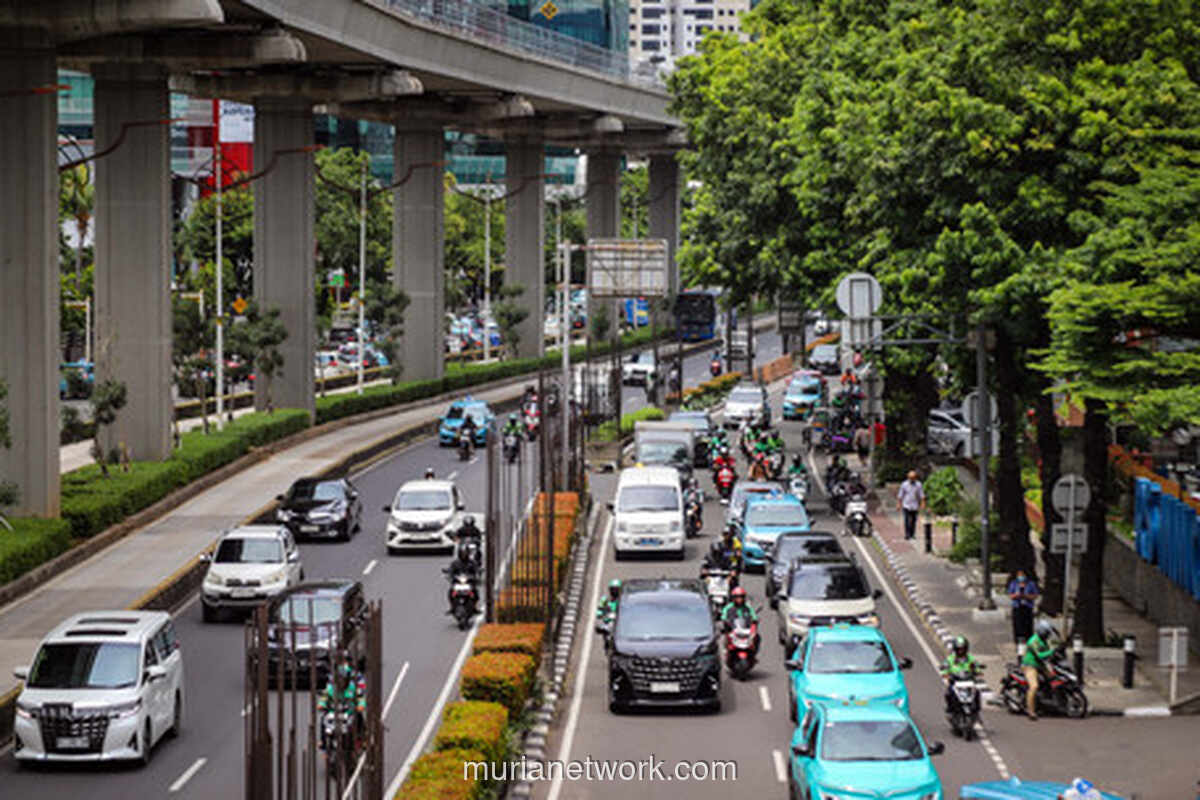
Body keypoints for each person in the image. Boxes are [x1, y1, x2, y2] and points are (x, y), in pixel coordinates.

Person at [318, 653, 366, 744]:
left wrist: (360, 705)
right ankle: (323, 741)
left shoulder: (353, 683)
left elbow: (360, 696)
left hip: (349, 710)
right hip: (334, 710)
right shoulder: (331, 686)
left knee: (359, 716)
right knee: (323, 719)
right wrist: (321, 704)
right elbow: (324, 696)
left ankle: (361, 737)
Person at [1022, 618, 1058, 721]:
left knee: (1053, 678)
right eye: (1047, 633)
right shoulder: (1034, 641)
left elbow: (1052, 645)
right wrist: (1052, 651)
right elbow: (1040, 655)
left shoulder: (1044, 640)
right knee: (1034, 686)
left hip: (1040, 664)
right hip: (1030, 665)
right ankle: (1031, 711)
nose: (1048, 635)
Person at [939, 635, 980, 711]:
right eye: (959, 649)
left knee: (977, 691)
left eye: (962, 649)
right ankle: (950, 707)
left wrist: (977, 671)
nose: (961, 651)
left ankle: (976, 708)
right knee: (948, 693)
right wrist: (945, 673)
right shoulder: (951, 659)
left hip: (967, 679)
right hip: (955, 680)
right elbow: (945, 666)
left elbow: (976, 665)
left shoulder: (970, 658)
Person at [1007, 568, 1040, 644]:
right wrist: (1017, 595)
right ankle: (1018, 642)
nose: (1021, 577)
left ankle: (1029, 641)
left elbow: (1035, 595)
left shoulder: (1031, 584)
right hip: (1017, 607)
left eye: (1022, 575)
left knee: (1028, 625)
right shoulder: (1014, 583)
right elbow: (1011, 595)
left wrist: (1026, 596)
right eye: (1019, 575)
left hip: (1027, 607)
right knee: (1018, 625)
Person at [720, 586, 759, 650]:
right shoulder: (728, 608)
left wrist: (754, 620)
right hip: (732, 631)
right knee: (723, 639)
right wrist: (725, 620)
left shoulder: (748, 608)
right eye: (737, 597)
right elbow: (723, 617)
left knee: (756, 637)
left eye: (741, 597)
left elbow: (754, 616)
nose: (739, 599)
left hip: (745, 631)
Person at [896, 470, 925, 540]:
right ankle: (907, 534)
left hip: (915, 505)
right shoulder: (904, 484)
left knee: (913, 521)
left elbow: (921, 495)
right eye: (911, 478)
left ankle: (912, 534)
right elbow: (900, 495)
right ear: (908, 477)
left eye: (913, 478)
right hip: (906, 505)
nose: (912, 479)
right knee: (907, 520)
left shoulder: (918, 485)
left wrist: (923, 504)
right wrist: (899, 504)